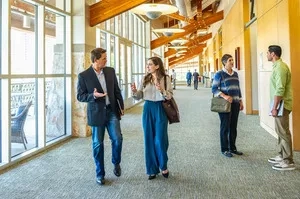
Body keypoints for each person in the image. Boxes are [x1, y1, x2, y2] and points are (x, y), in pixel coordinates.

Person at [77, 48, 124, 185]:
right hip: (97, 114)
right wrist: (93, 96)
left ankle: (116, 162)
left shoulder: (110, 71)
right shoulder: (84, 76)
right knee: (98, 144)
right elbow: (80, 96)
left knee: (118, 139)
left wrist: (121, 106)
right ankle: (100, 174)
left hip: (112, 111)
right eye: (104, 58)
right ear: (95, 60)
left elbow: (116, 90)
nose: (106, 60)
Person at [131, 57, 173, 180]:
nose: (148, 66)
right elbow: (139, 96)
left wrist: (162, 90)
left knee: (160, 139)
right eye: (147, 64)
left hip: (160, 109)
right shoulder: (144, 78)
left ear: (157, 66)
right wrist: (134, 92)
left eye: (150, 64)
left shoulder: (166, 78)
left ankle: (163, 165)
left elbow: (169, 95)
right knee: (148, 139)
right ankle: (152, 169)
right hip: (148, 108)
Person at [266, 45, 294, 171]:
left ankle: (288, 161)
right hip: (278, 104)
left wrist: (275, 107)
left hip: (281, 104)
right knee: (280, 131)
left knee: (284, 132)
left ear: (273, 54)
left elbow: (280, 88)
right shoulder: (277, 67)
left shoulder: (281, 68)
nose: (267, 55)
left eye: (268, 53)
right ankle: (282, 155)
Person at [211, 54, 244, 158]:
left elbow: (238, 88)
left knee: (233, 126)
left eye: (232, 60)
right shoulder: (219, 74)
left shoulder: (235, 74)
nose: (232, 62)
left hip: (235, 103)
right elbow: (214, 89)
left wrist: (241, 100)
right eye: (230, 60)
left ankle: (232, 148)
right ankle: (224, 149)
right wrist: (225, 96)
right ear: (225, 62)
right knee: (225, 127)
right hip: (224, 104)